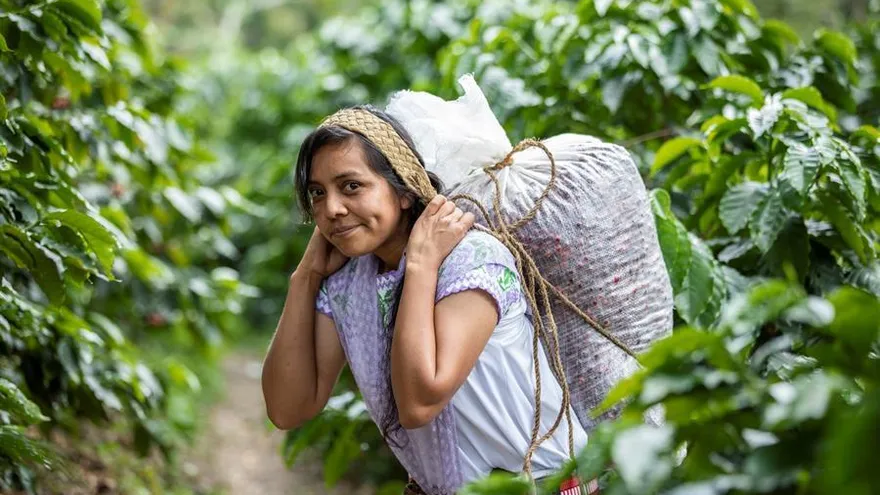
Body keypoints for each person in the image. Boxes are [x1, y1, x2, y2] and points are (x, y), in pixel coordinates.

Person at [260, 105, 591, 495]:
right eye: (318, 193)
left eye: (351, 186)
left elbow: (418, 404)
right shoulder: (351, 285)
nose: (331, 209)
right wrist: (305, 278)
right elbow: (287, 408)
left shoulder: (472, 259)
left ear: (403, 191)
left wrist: (420, 265)